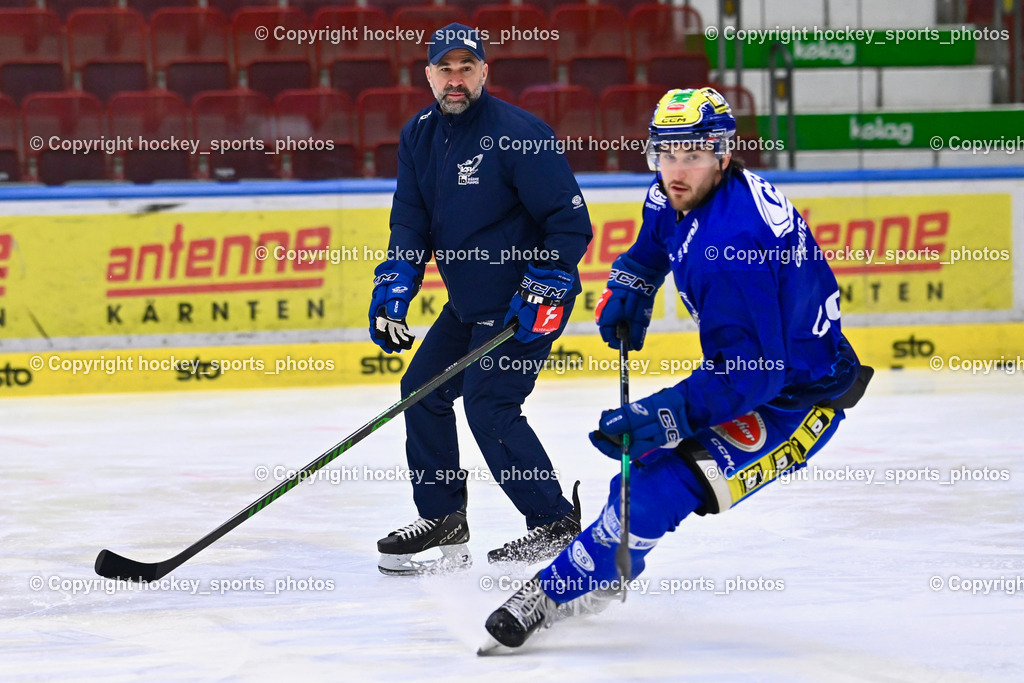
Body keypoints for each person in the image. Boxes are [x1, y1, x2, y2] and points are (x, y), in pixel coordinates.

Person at [482, 87, 873, 647]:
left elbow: (752, 376)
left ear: (722, 154)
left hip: (798, 401)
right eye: (665, 153)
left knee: (661, 482)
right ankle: (609, 560)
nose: (674, 169)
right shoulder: (677, 193)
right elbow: (652, 246)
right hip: (763, 373)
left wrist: (668, 413)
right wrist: (632, 286)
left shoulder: (731, 245)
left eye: (691, 155)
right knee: (639, 465)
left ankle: (556, 588)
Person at [369, 24, 593, 575]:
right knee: (419, 390)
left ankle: (554, 524)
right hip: (470, 302)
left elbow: (570, 223)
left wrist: (547, 283)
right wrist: (395, 286)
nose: (455, 79)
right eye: (444, 68)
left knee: (489, 402)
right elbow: (410, 224)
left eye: (466, 68)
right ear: (427, 75)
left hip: (526, 299)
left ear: (485, 73)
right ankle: (444, 517)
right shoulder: (417, 136)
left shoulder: (520, 134)